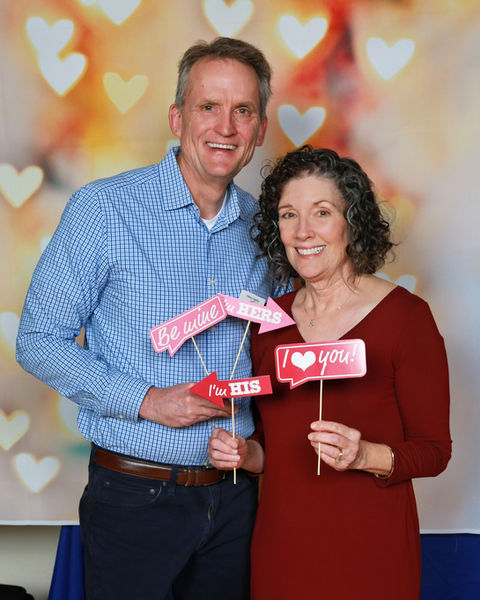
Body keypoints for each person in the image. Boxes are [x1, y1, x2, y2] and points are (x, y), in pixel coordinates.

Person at [16, 37, 285, 600]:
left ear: (261, 129)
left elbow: (288, 345)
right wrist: (148, 400)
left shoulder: (269, 230)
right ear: (176, 117)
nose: (225, 127)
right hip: (134, 496)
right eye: (208, 106)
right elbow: (38, 339)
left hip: (237, 500)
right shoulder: (104, 209)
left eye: (243, 111)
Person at [208, 146, 452, 599]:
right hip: (282, 552)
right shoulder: (269, 322)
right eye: (288, 214)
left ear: (351, 222)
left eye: (322, 212)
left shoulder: (407, 318)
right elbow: (270, 448)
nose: (303, 231)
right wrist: (244, 453)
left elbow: (435, 452)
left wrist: (364, 456)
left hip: (371, 555)